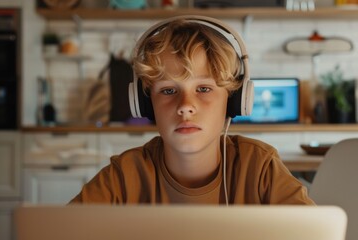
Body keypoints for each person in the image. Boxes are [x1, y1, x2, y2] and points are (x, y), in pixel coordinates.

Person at [70, 15, 315, 205]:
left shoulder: (260, 167)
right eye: (168, 91)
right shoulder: (124, 176)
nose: (185, 106)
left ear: (232, 100)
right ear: (145, 103)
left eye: (204, 89)